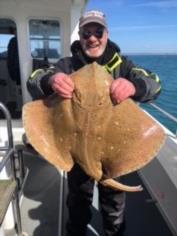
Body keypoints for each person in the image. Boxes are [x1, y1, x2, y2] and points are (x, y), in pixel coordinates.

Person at [27, 10, 161, 236]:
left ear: (106, 34)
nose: (92, 38)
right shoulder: (67, 65)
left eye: (98, 32)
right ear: (79, 36)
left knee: (113, 209)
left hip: (113, 152)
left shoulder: (124, 66)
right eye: (86, 33)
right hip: (75, 153)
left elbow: (154, 82)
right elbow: (34, 78)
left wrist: (134, 87)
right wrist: (51, 80)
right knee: (77, 205)